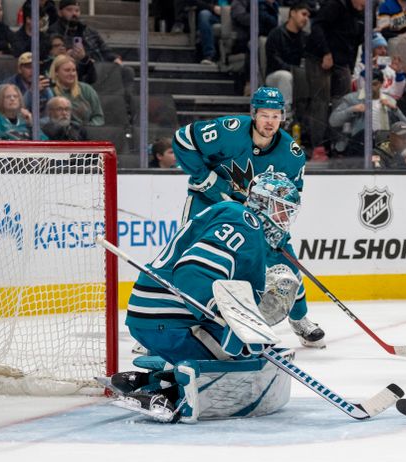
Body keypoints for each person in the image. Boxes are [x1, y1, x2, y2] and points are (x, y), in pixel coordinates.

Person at [108, 172, 302, 423]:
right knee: (241, 354)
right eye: (282, 210)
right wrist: (231, 321)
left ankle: (147, 380)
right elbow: (193, 272)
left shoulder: (235, 216)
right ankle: (168, 394)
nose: (285, 219)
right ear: (263, 203)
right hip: (169, 318)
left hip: (156, 315)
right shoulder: (245, 222)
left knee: (244, 348)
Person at [172, 87, 325, 348]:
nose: (270, 122)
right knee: (183, 255)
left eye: (276, 116)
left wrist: (275, 220)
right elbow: (183, 140)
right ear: (253, 113)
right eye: (265, 115)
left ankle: (300, 319)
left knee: (287, 265)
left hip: (259, 215)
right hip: (209, 202)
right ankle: (171, 320)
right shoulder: (229, 130)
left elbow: (291, 195)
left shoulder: (291, 154)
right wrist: (204, 178)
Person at [305, 0, 366, 162]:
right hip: (320, 57)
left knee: (343, 101)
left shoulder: (363, 14)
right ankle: (317, 146)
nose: (366, 3)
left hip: (342, 60)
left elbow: (355, 44)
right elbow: (317, 27)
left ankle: (338, 145)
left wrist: (350, 69)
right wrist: (325, 52)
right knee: (321, 100)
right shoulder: (335, 5)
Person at [264, 2, 310, 124]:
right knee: (285, 76)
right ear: (293, 13)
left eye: (308, 16)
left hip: (298, 75)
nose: (306, 19)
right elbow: (274, 60)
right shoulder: (276, 34)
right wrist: (295, 71)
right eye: (303, 14)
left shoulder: (306, 38)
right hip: (275, 75)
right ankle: (285, 115)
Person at [47, 0, 124, 66]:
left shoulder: (90, 31)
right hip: (75, 67)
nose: (74, 14)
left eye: (77, 11)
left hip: (99, 66)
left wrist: (115, 58)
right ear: (60, 13)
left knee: (126, 71)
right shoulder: (54, 31)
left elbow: (105, 49)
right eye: (69, 10)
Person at [49, 54, 104, 126]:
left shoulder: (87, 89)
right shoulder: (49, 91)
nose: (71, 74)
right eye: (67, 70)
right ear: (56, 72)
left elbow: (98, 117)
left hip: (86, 132)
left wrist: (88, 128)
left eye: (74, 70)